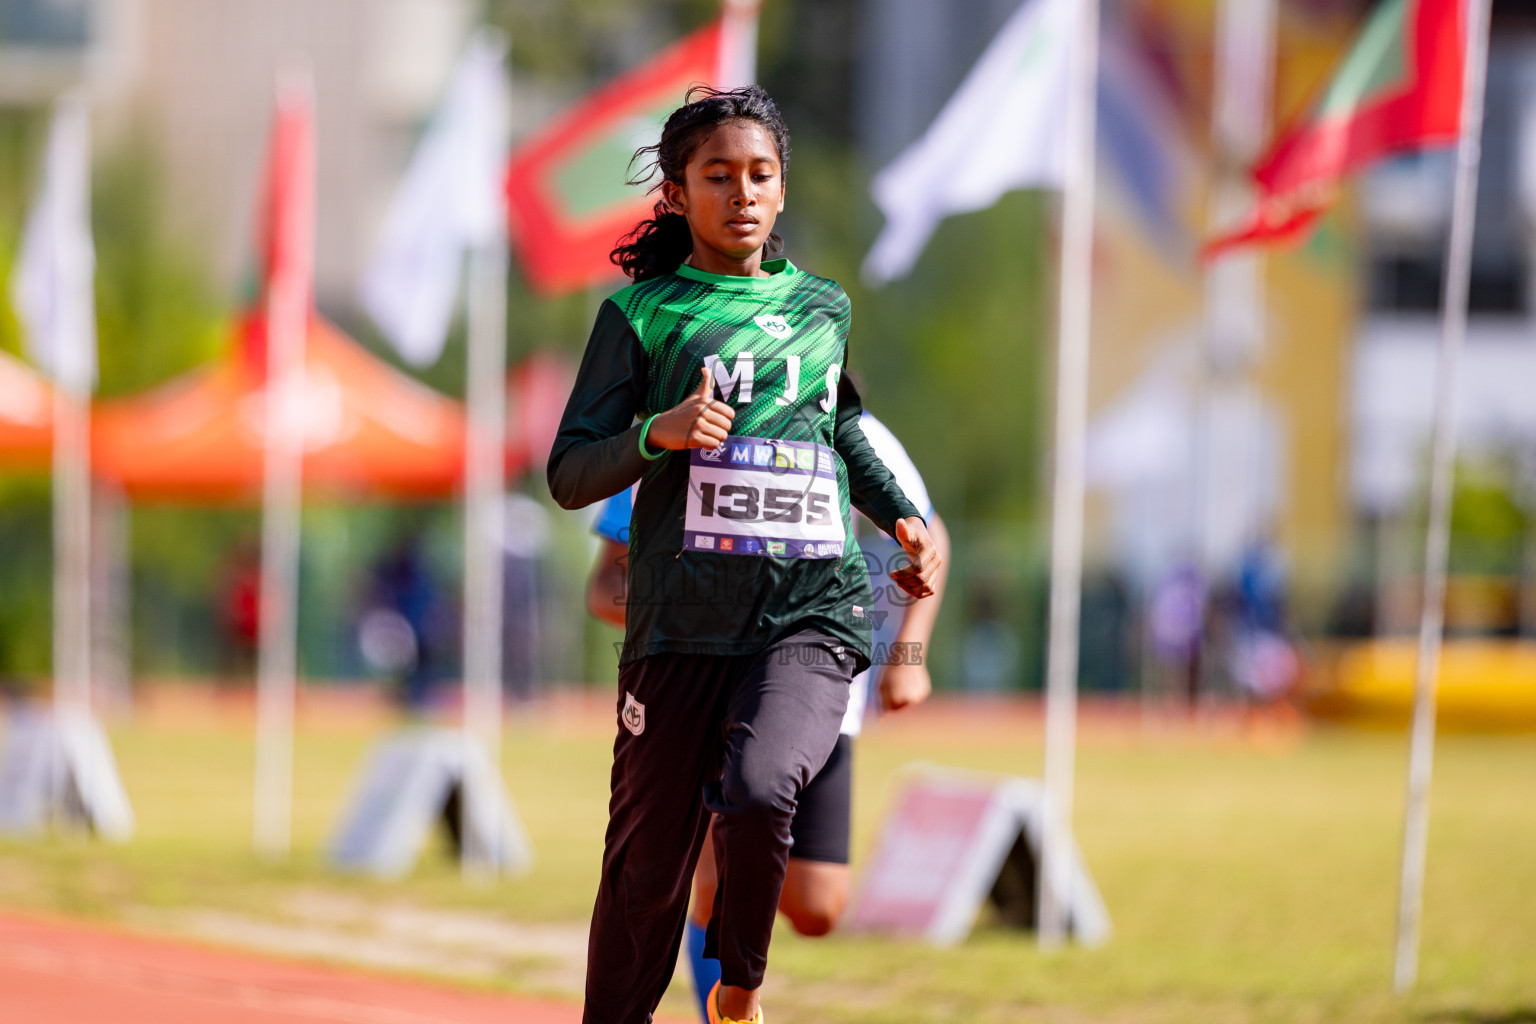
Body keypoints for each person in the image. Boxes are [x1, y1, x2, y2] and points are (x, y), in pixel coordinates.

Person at [547, 85, 941, 1024]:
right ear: (679, 194)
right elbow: (568, 474)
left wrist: (900, 518)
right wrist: (660, 434)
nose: (744, 194)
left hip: (809, 612)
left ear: (783, 187)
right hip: (680, 628)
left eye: (760, 175)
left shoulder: (821, 308)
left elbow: (841, 429)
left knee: (764, 789)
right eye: (718, 177)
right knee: (646, 877)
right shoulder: (642, 317)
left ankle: (738, 988)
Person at [585, 413, 950, 1022]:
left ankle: (748, 877)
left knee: (817, 906)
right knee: (709, 881)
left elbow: (929, 529)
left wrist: (910, 654)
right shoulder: (681, 423)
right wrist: (687, 606)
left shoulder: (852, 430)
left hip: (814, 688)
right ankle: (726, 1007)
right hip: (700, 688)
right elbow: (603, 583)